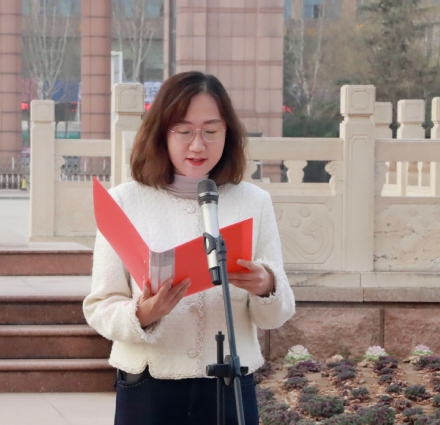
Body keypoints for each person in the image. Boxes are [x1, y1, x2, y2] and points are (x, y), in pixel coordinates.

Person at [83, 71, 295, 425]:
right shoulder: (124, 202)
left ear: (228, 133)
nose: (198, 145)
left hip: (229, 382)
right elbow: (99, 306)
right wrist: (144, 313)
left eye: (211, 131)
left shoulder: (254, 202)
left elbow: (276, 315)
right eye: (184, 131)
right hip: (149, 383)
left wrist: (266, 286)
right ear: (162, 133)